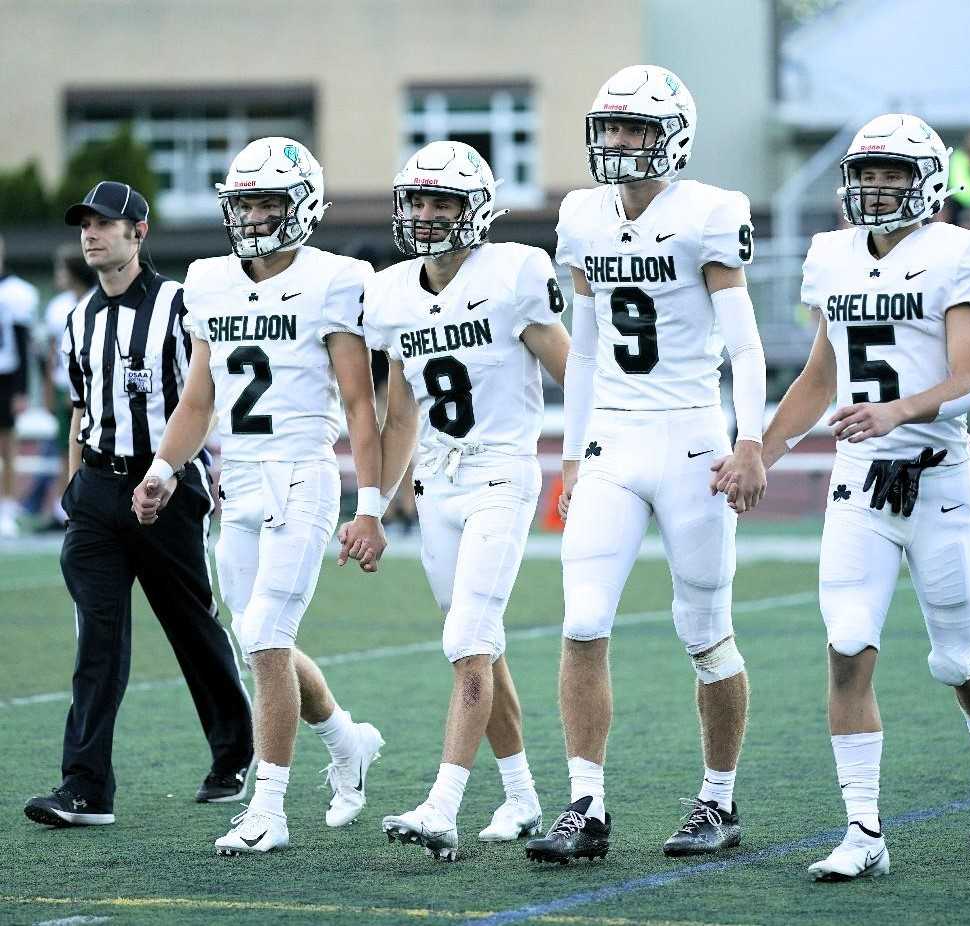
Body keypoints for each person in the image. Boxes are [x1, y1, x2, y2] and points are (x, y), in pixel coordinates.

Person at [748, 113, 970, 881]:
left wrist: (897, 411)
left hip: (937, 478)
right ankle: (864, 830)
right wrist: (761, 452)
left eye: (891, 174)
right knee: (846, 646)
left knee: (956, 659)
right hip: (858, 484)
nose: (874, 187)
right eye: (866, 173)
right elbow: (819, 375)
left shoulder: (962, 253)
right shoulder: (832, 254)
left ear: (928, 181)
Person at [525, 65, 767, 865]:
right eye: (613, 126)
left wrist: (752, 439)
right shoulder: (582, 214)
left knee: (704, 632)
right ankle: (585, 806)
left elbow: (744, 345)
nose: (621, 142)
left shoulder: (708, 213)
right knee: (582, 620)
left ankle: (719, 802)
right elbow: (587, 346)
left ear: (674, 137)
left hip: (694, 436)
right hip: (615, 442)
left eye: (637, 128)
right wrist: (570, 448)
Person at [132, 138, 387, 855]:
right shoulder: (210, 279)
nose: (252, 215)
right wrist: (162, 469)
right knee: (258, 642)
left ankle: (269, 808)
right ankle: (348, 742)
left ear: (303, 205)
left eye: (268, 201)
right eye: (243, 202)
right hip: (236, 477)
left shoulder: (336, 278)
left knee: (266, 635)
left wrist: (370, 502)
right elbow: (197, 398)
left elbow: (360, 403)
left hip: (303, 472)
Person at [23, 181, 254, 830]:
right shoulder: (77, 318)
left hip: (170, 490)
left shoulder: (182, 307)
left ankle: (235, 750)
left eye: (106, 224)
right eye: (85, 225)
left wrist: (182, 471)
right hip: (97, 493)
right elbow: (79, 409)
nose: (91, 234)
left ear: (139, 232)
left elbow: (208, 399)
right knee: (96, 641)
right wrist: (74, 493)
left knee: (193, 627)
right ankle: (86, 788)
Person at [365, 141, 570, 862]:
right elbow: (399, 414)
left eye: (442, 203)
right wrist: (371, 503)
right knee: (479, 646)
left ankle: (443, 805)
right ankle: (520, 798)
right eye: (417, 202)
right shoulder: (389, 292)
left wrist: (584, 459)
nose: (425, 216)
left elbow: (576, 372)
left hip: (502, 471)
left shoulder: (514, 271)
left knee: (467, 640)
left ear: (475, 210)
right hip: (433, 482)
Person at [24, 245, 96, 530]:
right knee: (62, 449)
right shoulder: (57, 307)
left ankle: (84, 505)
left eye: (61, 269)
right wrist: (50, 392)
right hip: (63, 387)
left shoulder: (95, 301)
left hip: (89, 388)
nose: (58, 275)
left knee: (90, 449)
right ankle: (65, 505)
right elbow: (54, 355)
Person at [0, 232, 39, 537]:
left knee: (7, 446)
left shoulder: (15, 292)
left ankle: (8, 507)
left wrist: (22, 389)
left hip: (5, 375)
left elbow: (22, 343)